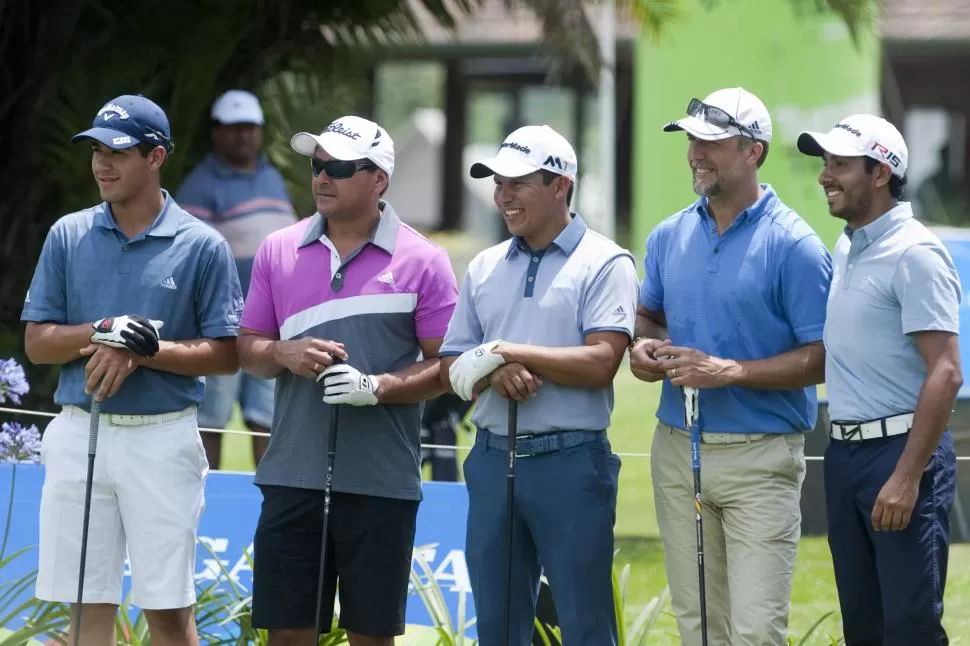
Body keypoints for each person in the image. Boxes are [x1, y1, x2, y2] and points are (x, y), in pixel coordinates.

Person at [21, 94, 243, 646]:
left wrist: (146, 349)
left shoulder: (202, 245)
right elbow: (38, 343)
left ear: (156, 157)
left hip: (161, 439)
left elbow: (226, 353)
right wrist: (105, 330)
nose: (102, 163)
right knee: (85, 606)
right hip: (80, 432)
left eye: (118, 151)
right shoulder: (68, 235)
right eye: (96, 149)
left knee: (167, 612)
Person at [236, 115, 459, 646]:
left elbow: (449, 368)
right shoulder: (278, 250)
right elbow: (248, 350)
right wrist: (282, 353)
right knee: (288, 634)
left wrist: (377, 387)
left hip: (380, 481)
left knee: (371, 637)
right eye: (317, 165)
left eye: (338, 167)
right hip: (292, 473)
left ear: (378, 178)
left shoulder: (425, 261)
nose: (322, 178)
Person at [630, 87, 833, 645]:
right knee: (697, 627)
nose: (697, 152)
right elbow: (647, 317)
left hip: (760, 460)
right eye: (693, 139)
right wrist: (644, 349)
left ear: (753, 152)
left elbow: (822, 357)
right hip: (675, 450)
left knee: (753, 633)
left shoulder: (795, 246)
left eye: (713, 142)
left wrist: (730, 372)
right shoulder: (669, 235)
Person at [439, 124, 639, 645]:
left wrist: (508, 350)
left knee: (584, 625)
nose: (502, 196)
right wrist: (495, 367)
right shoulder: (483, 266)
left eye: (517, 183)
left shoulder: (605, 261)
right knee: (498, 627)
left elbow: (601, 361)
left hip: (570, 462)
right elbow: (455, 359)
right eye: (497, 183)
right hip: (490, 459)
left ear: (559, 186)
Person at [797, 114, 962, 645]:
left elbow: (945, 369)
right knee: (862, 626)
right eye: (826, 164)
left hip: (900, 455)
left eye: (840, 165)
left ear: (880, 173)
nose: (826, 176)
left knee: (909, 628)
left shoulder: (915, 253)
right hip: (845, 456)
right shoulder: (848, 245)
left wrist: (907, 477)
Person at [176, 89, 297, 469]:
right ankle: (211, 508)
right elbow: (189, 259)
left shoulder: (271, 177)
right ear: (216, 133)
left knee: (267, 419)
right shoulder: (200, 185)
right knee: (211, 420)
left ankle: (267, 508)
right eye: (233, 128)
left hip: (274, 323)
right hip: (221, 324)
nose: (242, 136)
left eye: (249, 127)